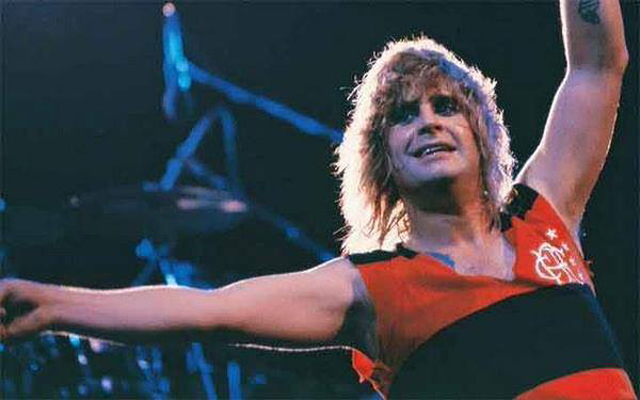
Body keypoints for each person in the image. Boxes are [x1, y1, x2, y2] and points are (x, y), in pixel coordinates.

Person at [0, 0, 634, 398]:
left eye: (445, 106)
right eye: (403, 115)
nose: (427, 121)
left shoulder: (545, 213)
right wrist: (53, 305)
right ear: (383, 160)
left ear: (481, 130)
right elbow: (208, 310)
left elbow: (597, 64)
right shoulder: (373, 288)